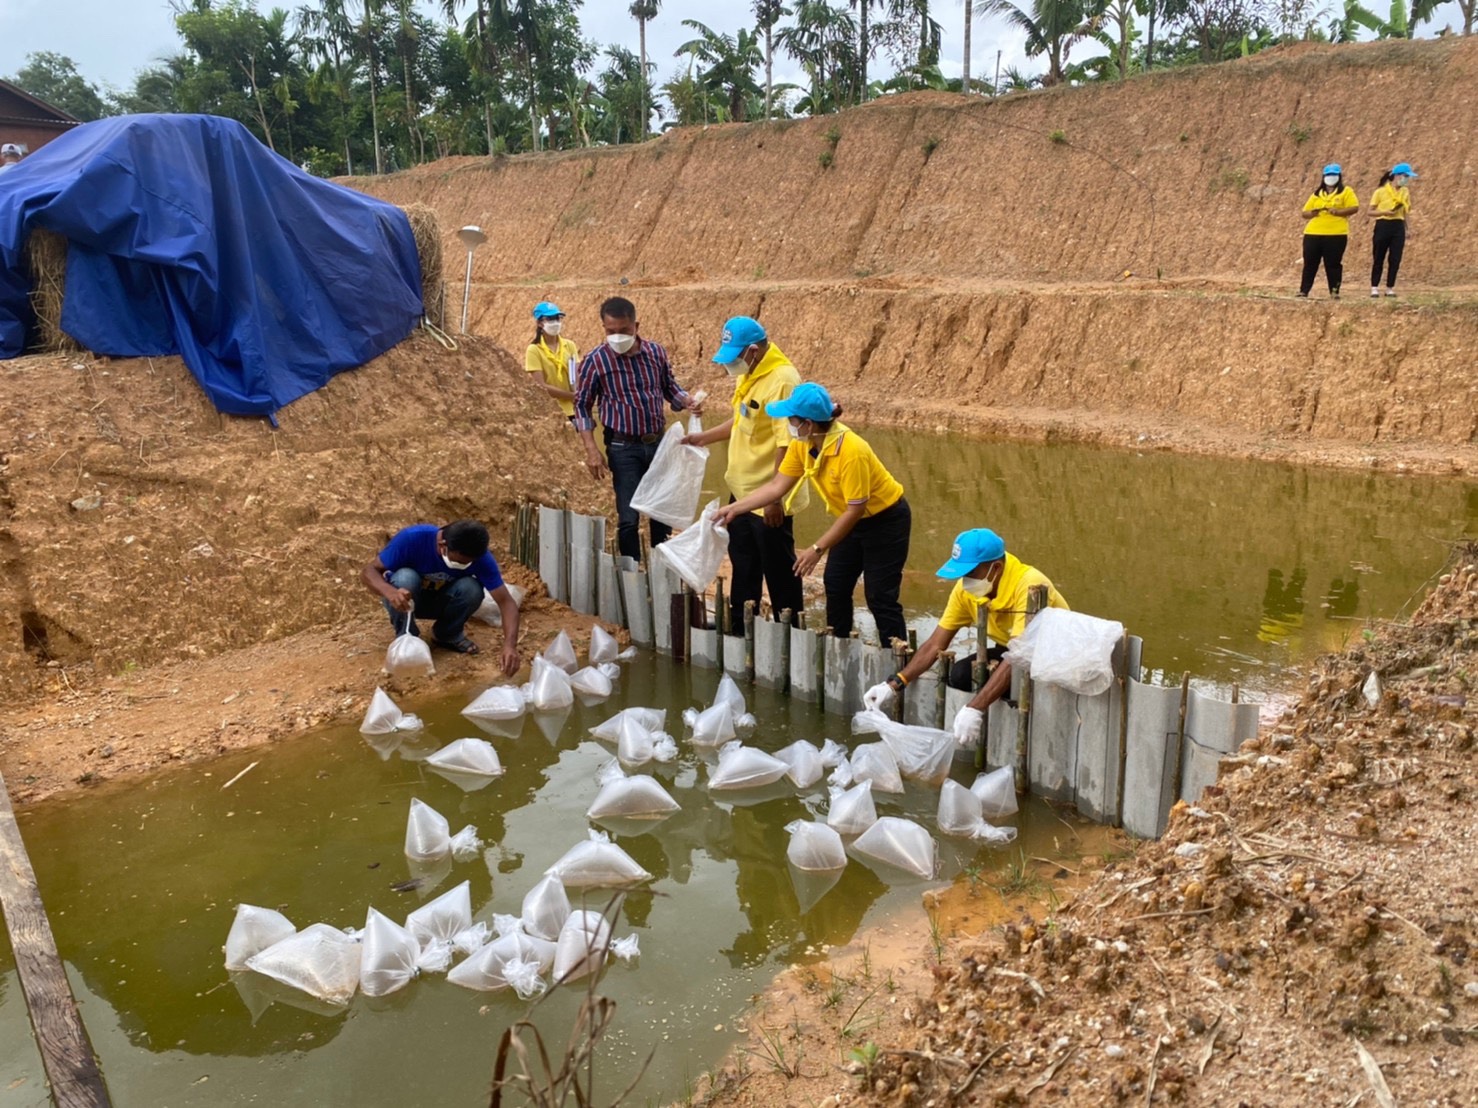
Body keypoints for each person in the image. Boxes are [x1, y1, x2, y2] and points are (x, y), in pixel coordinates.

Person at [714, 382, 911, 647]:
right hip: (852, 520)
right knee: (836, 583)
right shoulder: (803, 444)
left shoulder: (852, 451)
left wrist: (817, 548)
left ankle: (897, 657)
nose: (787, 424)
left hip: (885, 521)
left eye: (791, 419)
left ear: (808, 423)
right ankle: (839, 648)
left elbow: (855, 510)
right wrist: (734, 508)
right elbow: (776, 486)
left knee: (879, 596)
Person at [862, 528, 1069, 744]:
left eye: (970, 573)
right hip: (1012, 650)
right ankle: (996, 728)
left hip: (1052, 656)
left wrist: (975, 707)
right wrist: (895, 683)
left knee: (1017, 684)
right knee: (962, 674)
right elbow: (935, 644)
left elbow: (1019, 656)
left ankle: (1026, 725)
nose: (965, 580)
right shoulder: (966, 591)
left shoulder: (1029, 585)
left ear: (996, 568)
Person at [683, 316, 805, 631]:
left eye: (735, 356)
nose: (731, 364)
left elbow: (787, 444)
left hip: (768, 495)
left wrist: (775, 499)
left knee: (779, 571)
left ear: (753, 350)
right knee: (743, 563)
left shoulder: (783, 380)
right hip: (742, 490)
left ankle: (790, 634)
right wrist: (703, 437)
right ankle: (741, 628)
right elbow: (741, 420)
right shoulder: (749, 373)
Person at [573, 296, 701, 561]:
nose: (617, 336)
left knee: (660, 511)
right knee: (629, 518)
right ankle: (631, 573)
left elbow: (669, 387)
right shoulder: (596, 361)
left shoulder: (655, 353)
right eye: (611, 331)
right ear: (604, 328)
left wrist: (686, 401)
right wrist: (591, 449)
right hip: (622, 447)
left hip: (658, 444)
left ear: (636, 326)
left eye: (624, 330)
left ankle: (661, 567)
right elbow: (582, 406)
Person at [361, 519, 521, 675]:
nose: (465, 565)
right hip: (407, 601)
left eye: (469, 563)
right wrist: (390, 592)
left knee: (472, 588)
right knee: (405, 577)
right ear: (443, 545)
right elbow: (369, 571)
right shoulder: (412, 539)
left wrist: (510, 646)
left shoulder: (480, 558)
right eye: (460, 562)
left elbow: (506, 603)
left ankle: (447, 635)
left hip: (443, 602)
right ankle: (407, 637)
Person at [1299, 163, 1359, 299]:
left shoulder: (1346, 191)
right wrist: (1313, 213)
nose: (1330, 177)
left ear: (1339, 176)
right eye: (1328, 175)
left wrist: (1338, 212)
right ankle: (1304, 290)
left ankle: (1334, 291)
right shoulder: (1317, 194)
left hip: (1336, 233)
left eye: (1333, 175)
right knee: (1310, 263)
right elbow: (1304, 213)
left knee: (1333, 264)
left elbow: (1354, 208)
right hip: (1313, 233)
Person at [524, 301, 580, 420]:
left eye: (557, 318)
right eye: (549, 319)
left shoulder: (570, 345)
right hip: (552, 413)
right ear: (540, 323)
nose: (555, 322)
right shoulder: (534, 350)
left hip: (574, 410)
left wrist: (578, 394)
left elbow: (577, 374)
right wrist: (571, 396)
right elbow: (541, 385)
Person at [1369, 162, 1417, 298]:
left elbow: (1405, 211)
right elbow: (1370, 211)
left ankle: (1390, 287)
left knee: (1395, 258)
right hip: (1383, 224)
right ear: (1396, 176)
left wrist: (1408, 228)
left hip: (1398, 226)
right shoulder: (1380, 191)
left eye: (1408, 177)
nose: (1406, 179)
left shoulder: (1405, 192)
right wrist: (1384, 212)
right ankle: (1374, 287)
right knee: (1379, 256)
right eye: (1405, 176)